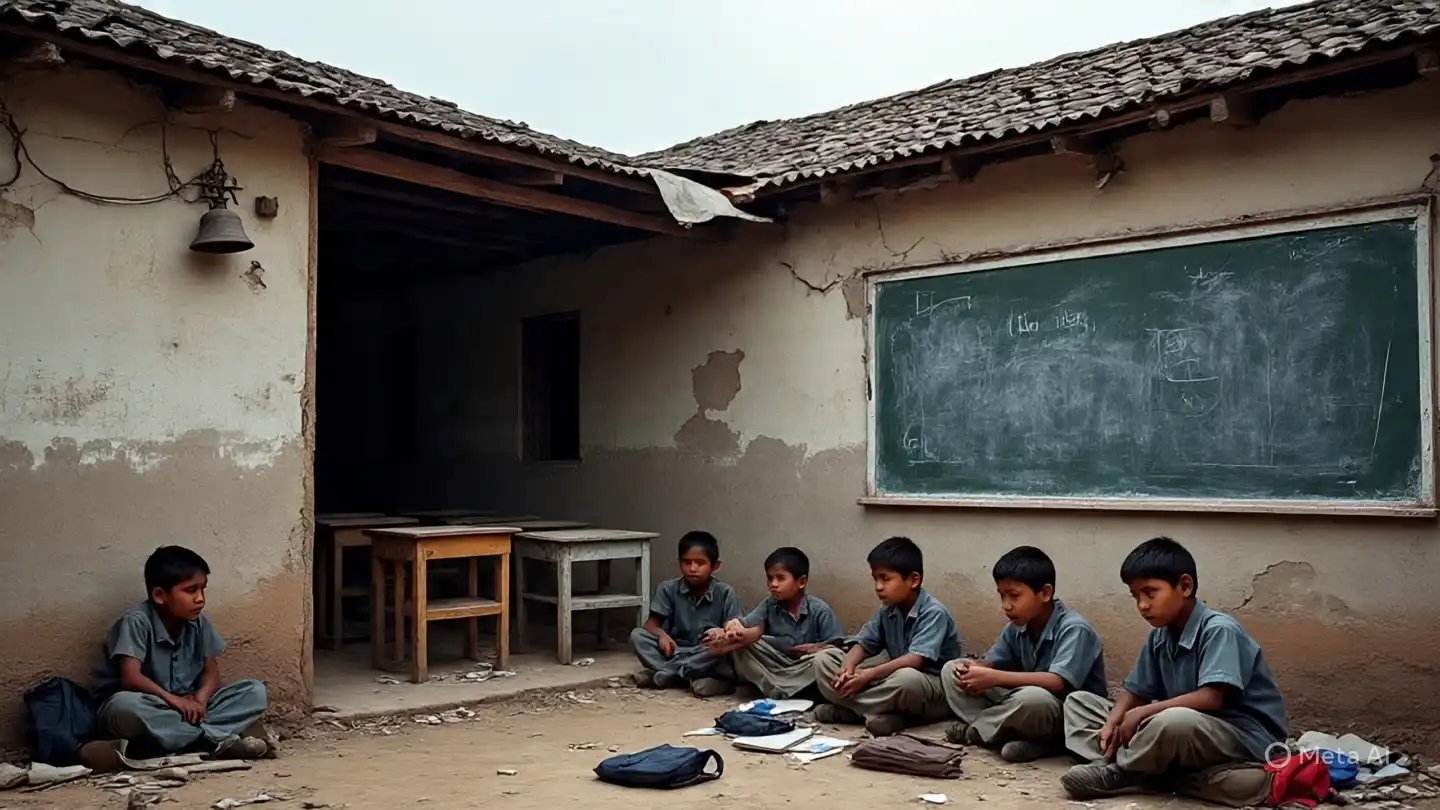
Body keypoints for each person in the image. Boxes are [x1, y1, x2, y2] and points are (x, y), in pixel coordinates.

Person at [1061, 537, 1288, 800]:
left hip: (1241, 736)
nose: (1142, 605)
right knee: (1079, 703)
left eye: (1150, 592)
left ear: (1185, 586)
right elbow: (1136, 691)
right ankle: (1160, 771)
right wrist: (1115, 719)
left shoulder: (1218, 629)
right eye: (1135, 596)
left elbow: (1212, 697)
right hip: (1182, 731)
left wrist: (1143, 712)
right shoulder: (1160, 635)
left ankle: (1127, 771)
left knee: (1173, 722)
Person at [81, 546, 271, 770]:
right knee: (125, 706)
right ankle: (214, 739)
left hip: (189, 711)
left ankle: (184, 741)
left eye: (203, 589)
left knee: (254, 691)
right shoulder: (137, 622)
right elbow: (131, 679)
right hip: (150, 706)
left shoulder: (198, 623)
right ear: (160, 595)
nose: (200, 599)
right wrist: (174, 701)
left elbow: (212, 673)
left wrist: (200, 699)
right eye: (191, 591)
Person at [940, 545, 1106, 762]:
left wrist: (994, 677)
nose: (1006, 606)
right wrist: (976, 670)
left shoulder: (1074, 628)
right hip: (1020, 704)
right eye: (1002, 596)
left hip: (1062, 714)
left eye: (1014, 596)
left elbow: (1058, 683)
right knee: (951, 669)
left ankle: (980, 731)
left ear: (1045, 593)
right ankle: (1007, 734)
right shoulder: (1017, 626)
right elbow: (992, 663)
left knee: (1033, 698)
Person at [812, 536, 962, 736]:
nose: (878, 586)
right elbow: (864, 643)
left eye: (886, 578)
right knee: (823, 659)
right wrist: (847, 668)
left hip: (930, 688)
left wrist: (869, 675)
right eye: (875, 579)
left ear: (913, 580)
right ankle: (876, 712)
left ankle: (854, 711)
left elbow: (915, 660)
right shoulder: (887, 610)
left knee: (907, 679)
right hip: (891, 682)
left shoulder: (934, 612)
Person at [712, 547, 845, 699]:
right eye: (770, 578)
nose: (773, 584)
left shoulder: (819, 609)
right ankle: (780, 689)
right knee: (741, 645)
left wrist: (816, 649)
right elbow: (745, 625)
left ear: (801, 582)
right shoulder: (769, 605)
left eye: (780, 578)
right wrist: (731, 629)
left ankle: (781, 690)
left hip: (804, 667)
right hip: (776, 665)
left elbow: (837, 647)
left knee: (826, 658)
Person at [630, 530, 742, 697]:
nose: (692, 568)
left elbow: (735, 631)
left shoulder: (725, 593)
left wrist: (721, 632)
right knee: (638, 635)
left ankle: (670, 675)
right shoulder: (667, 589)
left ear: (715, 566)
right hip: (676, 650)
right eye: (687, 562)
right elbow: (650, 625)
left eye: (700, 563)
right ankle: (686, 677)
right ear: (679, 563)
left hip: (707, 653)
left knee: (728, 651)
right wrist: (661, 635)